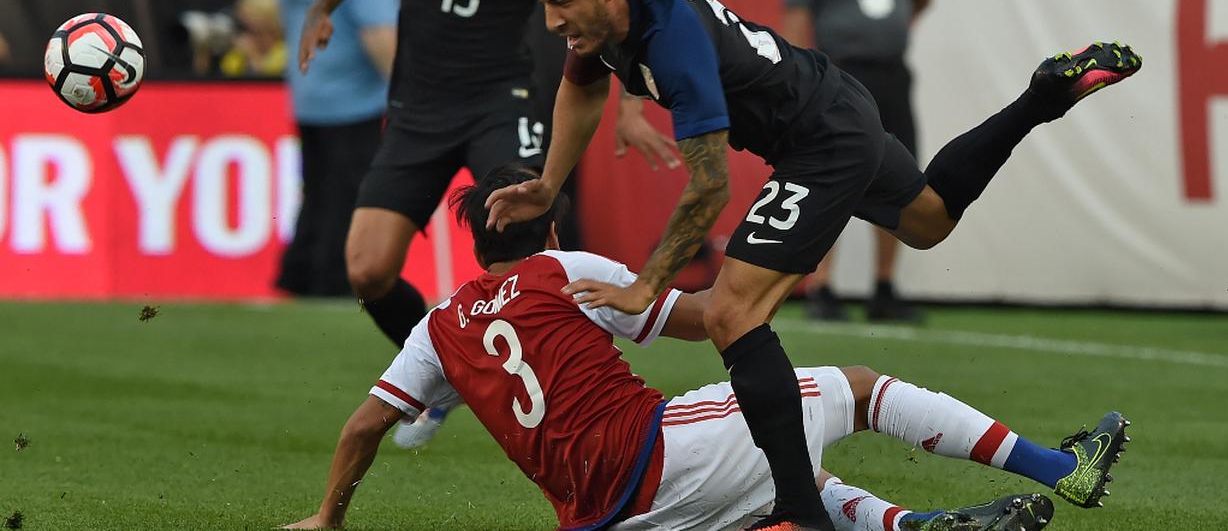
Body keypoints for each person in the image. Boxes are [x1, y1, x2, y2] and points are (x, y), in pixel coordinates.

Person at [484, 0, 1142, 531]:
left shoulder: (671, 39)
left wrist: (644, 286)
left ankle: (799, 513)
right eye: (544, 2)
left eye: (561, 2)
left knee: (729, 312)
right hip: (831, 108)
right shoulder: (612, 11)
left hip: (817, 140)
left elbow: (708, 187)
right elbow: (580, 81)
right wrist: (546, 185)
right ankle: (1040, 100)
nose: (552, 20)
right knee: (928, 220)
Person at [281, 166, 1131, 531]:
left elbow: (362, 429)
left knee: (796, 481)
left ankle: (921, 525)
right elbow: (705, 321)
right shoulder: (563, 267)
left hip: (601, 516)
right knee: (858, 388)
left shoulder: (436, 326)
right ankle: (1064, 471)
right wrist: (765, 272)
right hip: (656, 457)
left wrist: (328, 517)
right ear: (550, 222)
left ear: (474, 256)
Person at [296, 0, 668, 346]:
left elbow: (609, 6)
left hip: (499, 102)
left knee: (527, 239)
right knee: (366, 270)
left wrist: (631, 102)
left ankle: (568, 370)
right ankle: (446, 368)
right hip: (416, 110)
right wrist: (322, 7)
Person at [782, 0, 930, 322]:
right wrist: (801, 77)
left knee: (900, 173)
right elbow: (798, 12)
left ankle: (884, 288)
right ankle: (822, 287)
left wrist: (890, 32)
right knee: (832, 174)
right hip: (841, 76)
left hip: (891, 73)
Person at [272, 0, 400, 298]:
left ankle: (299, 276)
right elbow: (378, 35)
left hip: (308, 97)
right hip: (354, 101)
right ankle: (333, 284)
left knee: (318, 193)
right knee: (349, 198)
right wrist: (405, 93)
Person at [218, 0, 287, 77]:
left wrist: (253, 56)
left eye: (253, 14)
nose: (245, 20)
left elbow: (271, 82)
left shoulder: (285, 52)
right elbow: (226, 76)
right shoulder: (242, 47)